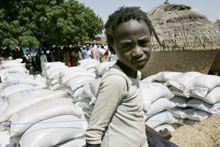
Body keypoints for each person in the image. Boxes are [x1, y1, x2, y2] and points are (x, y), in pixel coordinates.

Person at [85, 7, 178, 147]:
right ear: (112, 48)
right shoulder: (116, 81)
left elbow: (134, 119)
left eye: (143, 43)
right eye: (127, 46)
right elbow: (93, 134)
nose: (138, 52)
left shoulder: (132, 75)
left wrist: (159, 136)